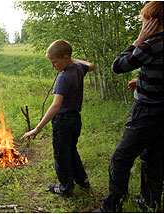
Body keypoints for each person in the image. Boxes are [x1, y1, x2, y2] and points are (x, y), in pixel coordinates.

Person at [94, 1, 163, 212]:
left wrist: (137, 40)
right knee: (153, 157)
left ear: (151, 21)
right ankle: (151, 203)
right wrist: (141, 79)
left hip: (147, 111)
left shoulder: (149, 44)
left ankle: (112, 206)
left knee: (121, 158)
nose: (141, 24)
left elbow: (118, 66)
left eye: (142, 21)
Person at [22, 40, 95, 197]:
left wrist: (37, 128)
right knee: (71, 150)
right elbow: (91, 65)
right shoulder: (78, 69)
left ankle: (65, 187)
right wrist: (73, 60)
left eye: (55, 62)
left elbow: (56, 106)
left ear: (66, 58)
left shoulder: (63, 78)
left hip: (63, 121)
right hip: (76, 119)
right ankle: (82, 180)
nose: (53, 66)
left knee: (61, 155)